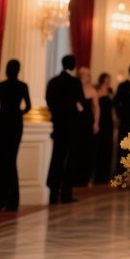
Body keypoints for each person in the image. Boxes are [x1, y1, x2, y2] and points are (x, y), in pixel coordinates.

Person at [0, 59, 31, 212]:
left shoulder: (1, 86)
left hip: (1, 123)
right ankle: (13, 200)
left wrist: (1, 113)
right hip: (15, 124)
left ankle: (0, 200)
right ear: (18, 70)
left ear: (7, 70)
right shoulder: (23, 86)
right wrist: (17, 113)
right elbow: (28, 106)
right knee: (11, 161)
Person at [45, 54, 85, 204]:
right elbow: (81, 101)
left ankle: (53, 193)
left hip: (58, 125)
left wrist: (56, 114)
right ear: (73, 66)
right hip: (72, 126)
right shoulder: (75, 82)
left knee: (57, 158)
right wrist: (76, 110)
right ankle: (66, 193)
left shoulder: (53, 81)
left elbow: (49, 100)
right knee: (70, 159)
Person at [73, 67, 100, 187]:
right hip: (76, 122)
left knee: (87, 150)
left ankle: (86, 178)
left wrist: (96, 123)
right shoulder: (74, 88)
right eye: (83, 74)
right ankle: (74, 178)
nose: (85, 76)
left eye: (87, 74)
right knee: (76, 149)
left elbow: (97, 108)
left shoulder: (93, 90)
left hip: (88, 122)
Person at [93, 72, 115, 184]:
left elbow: (113, 107)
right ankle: (98, 176)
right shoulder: (96, 90)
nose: (108, 81)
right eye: (107, 79)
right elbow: (95, 107)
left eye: (109, 79)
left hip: (109, 122)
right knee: (99, 148)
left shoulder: (110, 91)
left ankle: (106, 176)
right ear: (102, 79)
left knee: (108, 148)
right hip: (100, 121)